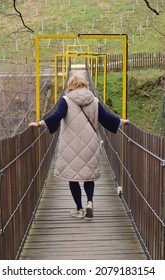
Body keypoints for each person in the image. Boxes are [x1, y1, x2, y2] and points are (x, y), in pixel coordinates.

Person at [29, 75, 129, 219]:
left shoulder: (66, 100)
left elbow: (57, 116)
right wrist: (121, 121)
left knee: (73, 176)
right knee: (89, 176)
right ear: (85, 85)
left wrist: (40, 124)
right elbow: (106, 118)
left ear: (70, 86)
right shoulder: (94, 100)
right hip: (90, 143)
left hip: (70, 145)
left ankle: (79, 209)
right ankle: (90, 202)